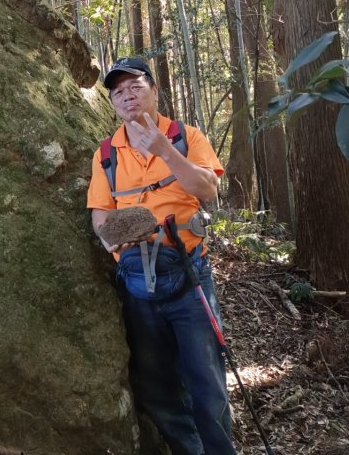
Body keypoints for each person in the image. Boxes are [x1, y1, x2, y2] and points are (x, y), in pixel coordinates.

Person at [87, 57, 236, 455]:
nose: (126, 95)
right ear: (113, 104)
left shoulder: (186, 136)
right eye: (118, 91)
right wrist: (112, 240)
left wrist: (164, 149)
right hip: (136, 283)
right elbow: (100, 215)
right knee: (157, 391)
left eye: (135, 86)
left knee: (208, 385)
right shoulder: (106, 154)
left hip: (188, 276)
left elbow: (208, 191)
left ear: (154, 90)